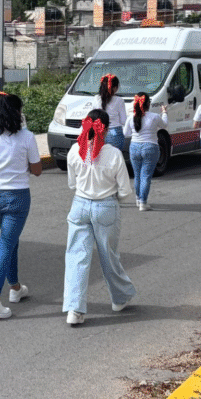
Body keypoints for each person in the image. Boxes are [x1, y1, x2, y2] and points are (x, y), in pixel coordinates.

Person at [63, 109, 136, 326]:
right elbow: (124, 191)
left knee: (76, 257)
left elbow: (72, 183)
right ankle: (120, 297)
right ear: (105, 128)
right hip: (106, 206)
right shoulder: (113, 154)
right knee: (109, 255)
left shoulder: (75, 150)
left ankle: (74, 310)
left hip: (79, 206)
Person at [0, 92, 42, 320]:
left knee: (10, 241)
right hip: (18, 198)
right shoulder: (27, 137)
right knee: (6, 244)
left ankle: (14, 287)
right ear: (17, 113)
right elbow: (37, 170)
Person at [123, 92, 168, 211]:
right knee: (146, 176)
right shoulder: (154, 117)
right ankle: (143, 202)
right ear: (148, 104)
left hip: (134, 147)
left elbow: (126, 133)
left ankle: (138, 199)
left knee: (137, 175)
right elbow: (165, 125)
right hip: (151, 147)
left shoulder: (131, 118)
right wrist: (164, 112)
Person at [93, 73, 127, 151]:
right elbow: (123, 120)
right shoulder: (119, 100)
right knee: (114, 158)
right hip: (115, 132)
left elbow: (93, 116)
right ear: (114, 88)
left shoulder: (96, 99)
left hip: (99, 132)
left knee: (100, 158)